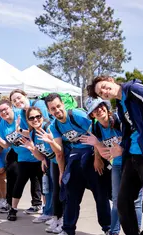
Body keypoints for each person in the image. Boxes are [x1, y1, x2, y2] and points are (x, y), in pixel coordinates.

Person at [87, 75, 143, 235]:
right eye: (101, 92)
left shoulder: (133, 90)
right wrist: (121, 148)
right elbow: (129, 130)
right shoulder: (121, 103)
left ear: (111, 80)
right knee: (123, 203)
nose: (105, 91)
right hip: (131, 156)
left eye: (105, 86)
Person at [44, 93, 112, 235]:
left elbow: (97, 133)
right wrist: (62, 172)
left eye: (58, 106)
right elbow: (59, 152)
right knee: (71, 195)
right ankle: (68, 229)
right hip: (76, 157)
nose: (57, 110)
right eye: (52, 109)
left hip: (92, 154)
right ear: (49, 111)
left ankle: (108, 228)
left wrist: (98, 159)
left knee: (100, 194)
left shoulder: (77, 115)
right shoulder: (54, 126)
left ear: (63, 104)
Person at [80, 97, 143, 235]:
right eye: (94, 110)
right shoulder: (96, 127)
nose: (99, 110)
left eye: (100, 106)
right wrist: (97, 151)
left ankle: (136, 232)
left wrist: (120, 148)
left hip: (133, 163)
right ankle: (113, 232)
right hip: (117, 165)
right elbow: (102, 150)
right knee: (116, 201)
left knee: (135, 201)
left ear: (106, 107)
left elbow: (134, 139)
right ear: (92, 115)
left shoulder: (119, 120)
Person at [0, 99, 43, 221]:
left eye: (5, 109)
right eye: (1, 111)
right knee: (19, 183)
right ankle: (13, 209)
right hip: (23, 158)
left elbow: (34, 128)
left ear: (11, 107)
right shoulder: (2, 125)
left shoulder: (21, 114)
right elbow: (7, 145)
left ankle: (44, 209)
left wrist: (19, 129)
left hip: (38, 155)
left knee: (42, 184)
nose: (3, 112)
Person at [20, 106, 64, 232]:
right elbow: (41, 155)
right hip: (53, 162)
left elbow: (59, 151)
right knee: (53, 190)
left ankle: (63, 220)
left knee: (62, 191)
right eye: (31, 118)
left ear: (42, 116)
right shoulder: (33, 133)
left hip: (61, 161)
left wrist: (61, 170)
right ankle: (56, 217)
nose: (35, 120)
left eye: (38, 116)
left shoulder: (48, 128)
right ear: (28, 121)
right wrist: (33, 150)